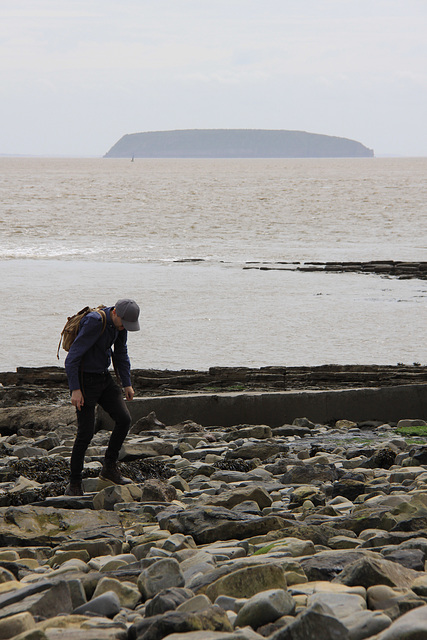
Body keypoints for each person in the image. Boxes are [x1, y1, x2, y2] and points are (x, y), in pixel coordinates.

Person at [64, 298, 140, 496]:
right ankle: (74, 483)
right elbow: (72, 357)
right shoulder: (94, 321)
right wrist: (75, 389)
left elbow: (121, 353)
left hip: (103, 378)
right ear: (115, 312)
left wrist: (127, 383)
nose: (124, 328)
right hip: (84, 381)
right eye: (124, 324)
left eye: (128, 326)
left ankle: (109, 468)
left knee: (124, 420)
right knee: (85, 433)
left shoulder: (120, 327)